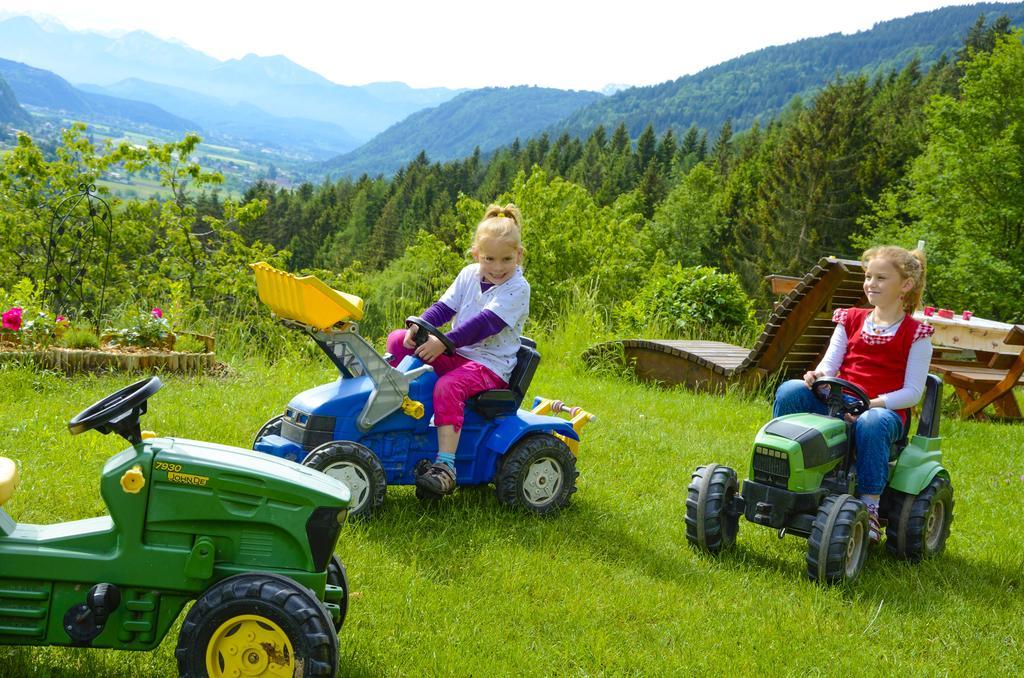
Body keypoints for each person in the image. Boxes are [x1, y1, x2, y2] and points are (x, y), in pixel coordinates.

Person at [772, 246, 933, 543]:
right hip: (839, 399)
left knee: (870, 422)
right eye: (868, 276)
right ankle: (784, 474)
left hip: (884, 412)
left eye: (881, 278)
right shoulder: (851, 319)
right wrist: (817, 376)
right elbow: (830, 365)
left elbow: (912, 393)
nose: (871, 283)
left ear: (905, 286)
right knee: (790, 390)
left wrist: (871, 404)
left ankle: (870, 505)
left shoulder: (917, 334)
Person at [385, 203, 530, 496]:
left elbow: (484, 324)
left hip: (491, 367)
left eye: (506, 259)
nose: (498, 267)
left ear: (518, 254)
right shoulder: (468, 274)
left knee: (448, 386)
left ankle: (446, 466)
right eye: (489, 258)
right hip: (460, 354)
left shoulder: (518, 288)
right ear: (477, 254)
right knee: (398, 340)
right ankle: (389, 413)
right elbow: (443, 308)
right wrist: (421, 327)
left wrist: (444, 343)